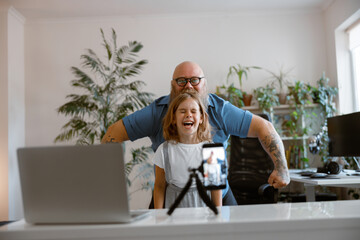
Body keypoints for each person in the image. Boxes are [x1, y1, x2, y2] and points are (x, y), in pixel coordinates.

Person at [102, 61, 290, 206]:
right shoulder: (156, 114)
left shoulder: (220, 112)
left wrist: (281, 168)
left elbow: (264, 127)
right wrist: (108, 181)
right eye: (181, 81)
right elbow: (113, 133)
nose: (188, 86)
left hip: (217, 196)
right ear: (172, 85)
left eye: (194, 80)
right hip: (170, 199)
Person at [153, 91, 221, 208]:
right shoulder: (163, 150)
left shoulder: (211, 150)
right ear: (173, 118)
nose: (188, 115)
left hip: (203, 215)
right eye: (183, 111)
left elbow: (216, 187)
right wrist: (158, 216)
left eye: (193, 111)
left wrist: (218, 215)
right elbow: (159, 186)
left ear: (201, 118)